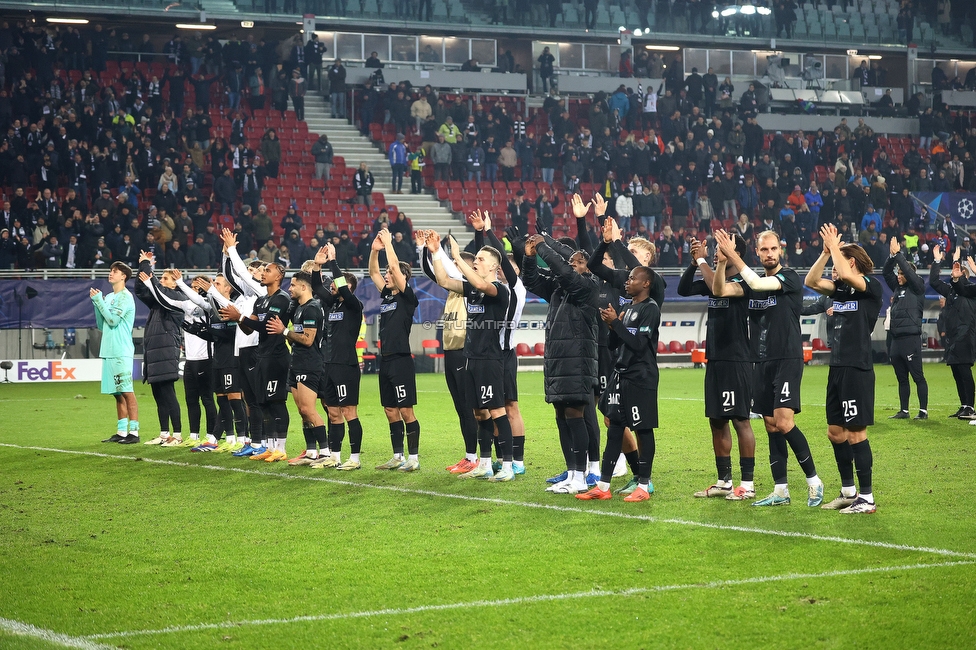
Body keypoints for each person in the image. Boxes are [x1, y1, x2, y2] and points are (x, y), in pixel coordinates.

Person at [712, 229, 825, 507]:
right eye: (764, 250)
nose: (770, 254)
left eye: (774, 249)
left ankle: (814, 481)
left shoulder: (789, 277)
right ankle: (780, 490)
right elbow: (720, 290)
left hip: (787, 359)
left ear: (780, 250)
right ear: (759, 253)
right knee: (772, 426)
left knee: (785, 422)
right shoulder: (750, 281)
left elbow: (760, 285)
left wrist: (734, 256)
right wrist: (721, 263)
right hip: (760, 362)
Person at [804, 223, 883, 514]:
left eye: (838, 261)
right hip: (837, 368)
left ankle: (867, 498)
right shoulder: (840, 291)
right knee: (835, 432)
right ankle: (849, 491)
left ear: (850, 261)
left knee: (855, 434)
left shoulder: (871, 287)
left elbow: (850, 275)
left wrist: (836, 248)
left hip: (856, 368)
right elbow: (812, 281)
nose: (835, 271)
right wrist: (825, 253)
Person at [430, 230, 515, 481]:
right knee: (479, 413)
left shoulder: (499, 290)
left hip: (490, 360)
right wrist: (436, 252)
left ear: (493, 266)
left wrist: (457, 255)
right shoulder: (474, 290)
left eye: (479, 259)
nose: (475, 261)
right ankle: (485, 464)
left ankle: (507, 466)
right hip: (470, 358)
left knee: (497, 412)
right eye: (474, 258)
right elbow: (444, 280)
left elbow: (480, 284)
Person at [677, 235, 757, 501]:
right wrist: (693, 263)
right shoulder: (713, 276)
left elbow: (717, 288)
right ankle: (724, 481)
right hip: (715, 359)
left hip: (736, 360)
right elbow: (683, 289)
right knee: (717, 421)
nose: (715, 252)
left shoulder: (745, 282)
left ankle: (747, 484)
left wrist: (702, 260)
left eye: (721, 248)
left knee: (740, 420)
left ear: (735, 253)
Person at [521, 232, 599, 495]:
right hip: (557, 360)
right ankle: (572, 473)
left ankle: (582, 475)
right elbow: (530, 280)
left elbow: (564, 273)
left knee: (576, 416)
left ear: (587, 268)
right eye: (572, 261)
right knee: (562, 417)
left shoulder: (588, 287)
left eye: (577, 262)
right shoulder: (558, 289)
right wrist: (529, 257)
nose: (572, 265)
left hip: (577, 359)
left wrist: (542, 246)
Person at [577, 264, 660, 502]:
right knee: (614, 428)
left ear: (645, 284)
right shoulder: (628, 307)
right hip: (621, 375)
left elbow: (639, 345)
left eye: (633, 278)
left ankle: (644, 485)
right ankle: (603, 485)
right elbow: (614, 344)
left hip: (641, 377)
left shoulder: (650, 309)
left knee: (643, 430)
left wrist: (618, 324)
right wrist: (612, 324)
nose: (627, 281)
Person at [220, 260, 293, 462]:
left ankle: (281, 448)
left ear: (278, 276)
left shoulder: (281, 299)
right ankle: (269, 447)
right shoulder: (261, 301)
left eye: (268, 271)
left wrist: (240, 317)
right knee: (264, 403)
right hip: (261, 357)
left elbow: (266, 327)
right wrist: (238, 319)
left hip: (277, 357)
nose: (263, 273)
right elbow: (249, 328)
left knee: (276, 403)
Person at [420, 231, 478, 474]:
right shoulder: (455, 290)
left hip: (465, 351)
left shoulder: (470, 288)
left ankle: (475, 456)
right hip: (451, 351)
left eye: (455, 265)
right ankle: (469, 455)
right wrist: (424, 250)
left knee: (469, 408)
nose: (449, 269)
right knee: (460, 408)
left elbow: (448, 273)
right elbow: (430, 272)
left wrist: (439, 252)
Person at [369, 229, 422, 471]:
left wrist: (389, 244)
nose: (387, 276)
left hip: (401, 360)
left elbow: (393, 267)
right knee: (390, 410)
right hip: (386, 360)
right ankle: (398, 456)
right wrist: (374, 250)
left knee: (405, 410)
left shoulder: (407, 297)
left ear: (402, 277)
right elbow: (372, 272)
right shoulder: (387, 296)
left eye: (391, 273)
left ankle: (413, 458)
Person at [309, 244, 365, 470]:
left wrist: (333, 262)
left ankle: (355, 459)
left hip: (346, 365)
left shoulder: (354, 305)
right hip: (328, 364)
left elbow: (339, 284)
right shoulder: (332, 304)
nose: (331, 286)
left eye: (337, 283)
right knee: (333, 412)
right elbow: (315, 286)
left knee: (348, 411)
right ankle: (335, 456)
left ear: (348, 287)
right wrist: (317, 265)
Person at [266, 270, 327, 466]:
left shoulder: (312, 308)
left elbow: (308, 340)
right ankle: (310, 452)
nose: (289, 288)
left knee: (309, 409)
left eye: (292, 285)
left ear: (303, 286)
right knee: (302, 410)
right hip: (297, 363)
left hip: (310, 364)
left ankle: (325, 452)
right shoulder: (299, 308)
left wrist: (284, 331)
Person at [134, 253, 186, 446]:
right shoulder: (158, 300)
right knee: (158, 394)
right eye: (161, 278)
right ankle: (164, 433)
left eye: (166, 279)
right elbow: (140, 289)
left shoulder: (177, 298)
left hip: (166, 351)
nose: (162, 281)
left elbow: (156, 288)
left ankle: (178, 435)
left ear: (174, 283)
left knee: (168, 393)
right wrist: (143, 267)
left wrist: (149, 270)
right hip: (155, 352)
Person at [91, 261, 140, 444]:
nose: (111, 273)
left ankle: (134, 432)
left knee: (126, 391)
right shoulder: (110, 296)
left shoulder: (126, 297)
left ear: (123, 276)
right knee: (117, 393)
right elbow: (101, 324)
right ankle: (121, 431)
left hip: (121, 350)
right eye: (111, 271)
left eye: (115, 271)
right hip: (109, 349)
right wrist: (97, 304)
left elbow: (112, 321)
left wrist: (98, 301)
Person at [883, 237, 929, 420]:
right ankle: (904, 410)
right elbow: (887, 272)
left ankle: (923, 411)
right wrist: (892, 256)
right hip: (896, 339)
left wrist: (899, 254)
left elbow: (910, 273)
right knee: (901, 377)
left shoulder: (917, 287)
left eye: (902, 273)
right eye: (899, 273)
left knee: (917, 375)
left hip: (911, 338)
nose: (899, 276)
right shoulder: (897, 287)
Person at [929, 245, 976, 420]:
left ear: (964, 275)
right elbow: (933, 282)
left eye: (957, 273)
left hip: (966, 337)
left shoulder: (971, 291)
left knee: (964, 371)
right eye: (953, 273)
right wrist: (936, 261)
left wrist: (958, 263)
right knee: (957, 372)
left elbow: (962, 288)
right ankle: (964, 405)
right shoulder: (950, 291)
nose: (953, 276)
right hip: (953, 338)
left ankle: (970, 407)